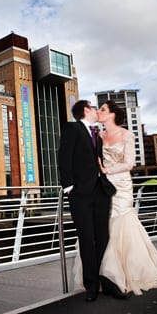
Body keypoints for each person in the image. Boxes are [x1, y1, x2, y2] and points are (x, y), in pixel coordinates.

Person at [95, 100, 157, 296]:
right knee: (105, 227)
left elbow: (130, 163)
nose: (99, 111)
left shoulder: (126, 135)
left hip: (121, 185)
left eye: (102, 109)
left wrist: (107, 169)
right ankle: (108, 277)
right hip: (103, 186)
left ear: (112, 114)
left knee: (122, 224)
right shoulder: (98, 136)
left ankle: (127, 275)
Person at [58, 100, 115, 302]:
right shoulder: (72, 128)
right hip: (80, 194)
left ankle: (98, 275)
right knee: (87, 239)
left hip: (100, 192)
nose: (95, 110)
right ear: (85, 110)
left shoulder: (96, 135)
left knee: (103, 237)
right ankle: (91, 285)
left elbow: (97, 161)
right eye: (93, 107)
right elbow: (64, 158)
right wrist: (69, 187)